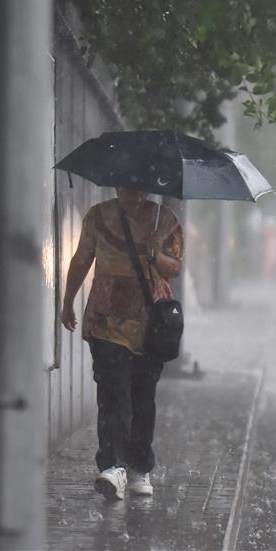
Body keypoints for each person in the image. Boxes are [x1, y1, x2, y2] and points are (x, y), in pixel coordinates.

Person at [60, 188, 184, 501]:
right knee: (113, 393)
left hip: (150, 326)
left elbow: (176, 267)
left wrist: (158, 253)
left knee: (143, 397)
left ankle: (139, 467)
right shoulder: (98, 216)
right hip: (106, 322)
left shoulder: (165, 219)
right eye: (125, 183)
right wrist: (68, 301)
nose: (131, 191)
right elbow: (82, 259)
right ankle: (113, 465)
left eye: (138, 183)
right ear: (115, 185)